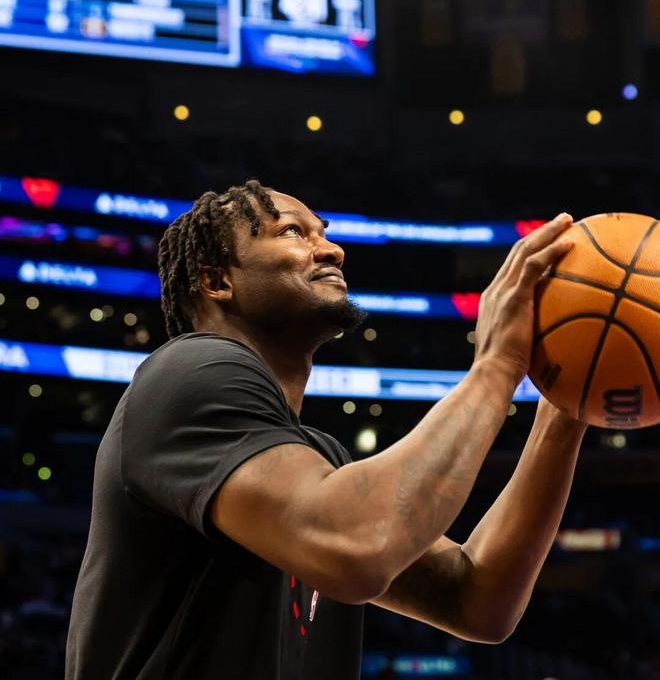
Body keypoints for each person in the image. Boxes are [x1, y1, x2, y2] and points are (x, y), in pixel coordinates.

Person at [65, 178, 587, 680]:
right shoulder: (189, 371)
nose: (332, 250)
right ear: (217, 282)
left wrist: (566, 409)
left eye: (325, 233)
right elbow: (356, 547)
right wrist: (496, 365)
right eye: (293, 231)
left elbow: (476, 600)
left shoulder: (321, 460)